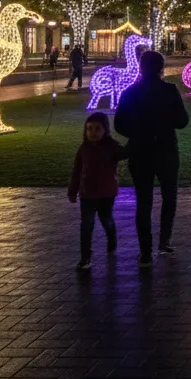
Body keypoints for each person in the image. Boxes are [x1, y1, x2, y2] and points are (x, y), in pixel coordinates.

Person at [114, 50, 189, 266]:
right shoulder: (169, 91)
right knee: (169, 196)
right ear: (161, 68)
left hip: (140, 151)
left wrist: (137, 134)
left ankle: (145, 251)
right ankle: (164, 240)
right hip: (165, 148)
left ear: (141, 66)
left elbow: (119, 124)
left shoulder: (131, 92)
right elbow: (182, 120)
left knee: (143, 201)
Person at [67, 111, 124, 271]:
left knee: (106, 219)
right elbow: (77, 171)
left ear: (105, 130)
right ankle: (85, 256)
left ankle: (111, 237)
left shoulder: (111, 147)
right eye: (89, 129)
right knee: (86, 224)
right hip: (87, 193)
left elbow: (125, 153)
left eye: (97, 129)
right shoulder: (83, 149)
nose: (93, 133)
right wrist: (73, 190)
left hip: (106, 193)